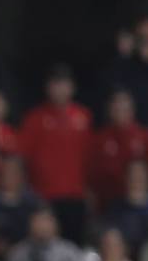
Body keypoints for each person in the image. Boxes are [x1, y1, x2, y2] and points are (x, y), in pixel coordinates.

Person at [18, 64, 93, 243]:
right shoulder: (34, 119)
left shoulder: (83, 117)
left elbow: (90, 159)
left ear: (72, 87)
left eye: (64, 83)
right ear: (48, 88)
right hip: (43, 197)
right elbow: (23, 158)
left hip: (75, 197)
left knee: (74, 246)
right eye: (55, 84)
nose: (59, 89)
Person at [89, 89, 148, 211]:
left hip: (138, 204)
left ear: (132, 110)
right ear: (110, 111)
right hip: (107, 203)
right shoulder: (99, 139)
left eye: (124, 108)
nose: (120, 112)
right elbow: (91, 173)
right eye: (116, 108)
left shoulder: (144, 137)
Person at [0, 153, 42, 249]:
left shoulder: (34, 204)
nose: (9, 176)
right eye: (6, 171)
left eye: (14, 172)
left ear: (23, 174)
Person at [106, 160, 148, 257]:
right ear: (126, 178)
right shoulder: (116, 209)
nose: (137, 179)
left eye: (141, 174)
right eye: (133, 174)